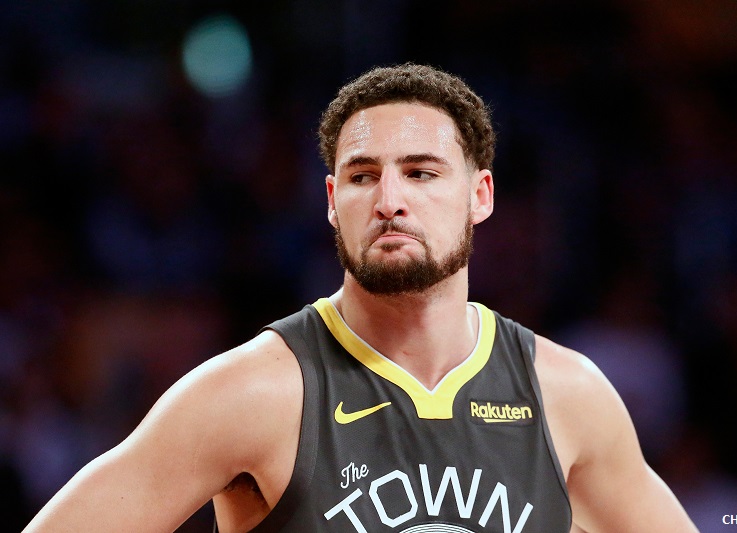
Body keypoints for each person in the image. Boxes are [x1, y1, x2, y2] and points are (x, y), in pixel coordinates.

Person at [24, 63, 697, 532]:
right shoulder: (252, 393)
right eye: (362, 175)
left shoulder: (567, 395)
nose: (389, 200)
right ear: (330, 200)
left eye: (422, 173)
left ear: (480, 196)